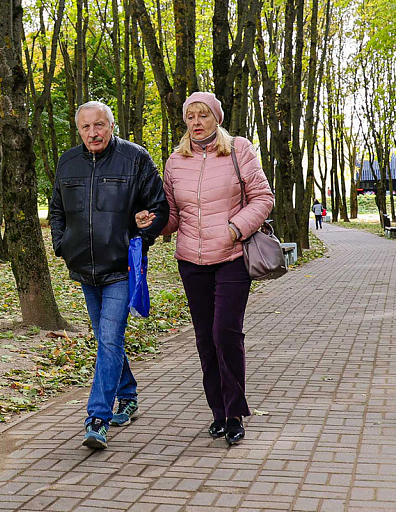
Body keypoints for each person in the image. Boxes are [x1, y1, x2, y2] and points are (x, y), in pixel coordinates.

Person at [150, 91, 274, 446]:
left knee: (225, 333)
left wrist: (236, 228)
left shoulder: (238, 150)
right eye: (190, 116)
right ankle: (218, 412)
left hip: (232, 257)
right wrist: (153, 222)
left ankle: (235, 412)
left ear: (216, 118)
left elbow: (263, 197)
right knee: (205, 338)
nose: (197, 122)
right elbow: (173, 216)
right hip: (191, 261)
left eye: (203, 115)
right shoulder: (176, 161)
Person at [49, 101, 169, 450]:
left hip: (121, 267)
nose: (93, 133)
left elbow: (159, 207)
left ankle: (97, 418)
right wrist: (62, 245)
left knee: (110, 340)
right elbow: (57, 209)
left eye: (99, 125)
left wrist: (140, 237)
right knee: (107, 340)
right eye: (86, 127)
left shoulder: (135, 158)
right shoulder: (67, 162)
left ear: (111, 126)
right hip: (84, 268)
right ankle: (128, 395)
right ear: (78, 130)